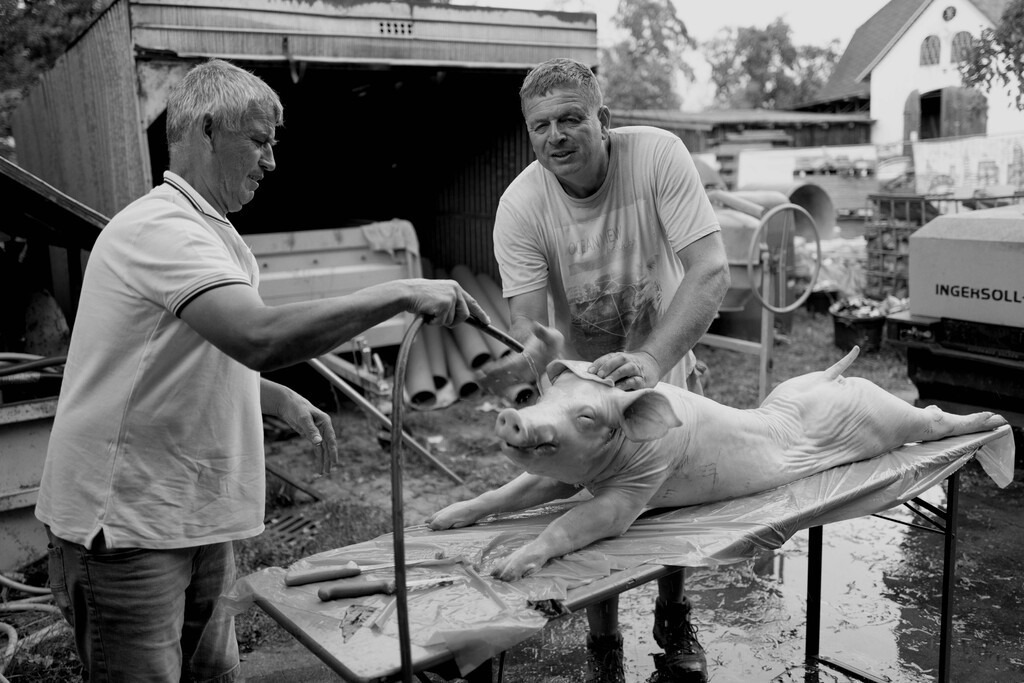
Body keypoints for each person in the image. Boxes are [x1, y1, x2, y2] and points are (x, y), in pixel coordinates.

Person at [34, 58, 488, 682]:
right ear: (206, 129)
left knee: (216, 675)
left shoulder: (209, 230)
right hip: (131, 528)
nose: (271, 161)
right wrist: (398, 292)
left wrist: (275, 397)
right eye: (258, 141)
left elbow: (184, 358)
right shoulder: (163, 228)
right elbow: (255, 336)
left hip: (190, 516)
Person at [492, 58, 731, 683]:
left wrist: (652, 360)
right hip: (582, 398)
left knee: (673, 502)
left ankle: (674, 616)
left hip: (662, 362)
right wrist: (529, 357)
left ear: (603, 119)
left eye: (571, 118)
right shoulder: (520, 205)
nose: (556, 136)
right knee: (593, 502)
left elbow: (709, 270)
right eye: (540, 125)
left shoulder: (657, 156)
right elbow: (527, 323)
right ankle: (605, 645)